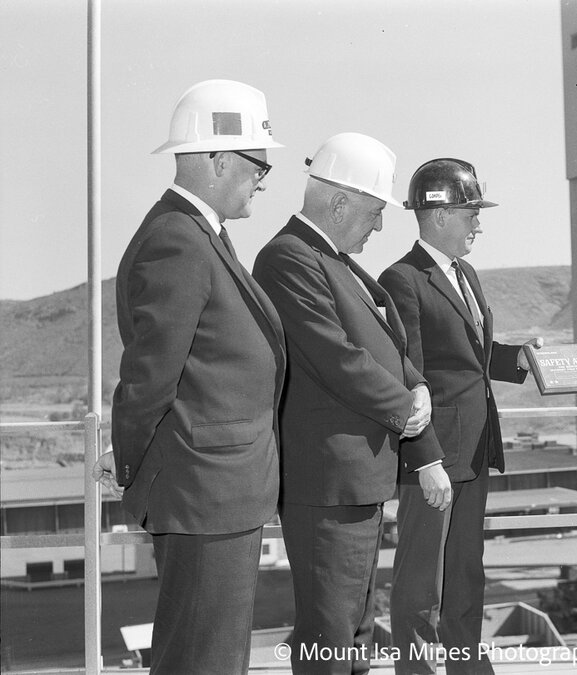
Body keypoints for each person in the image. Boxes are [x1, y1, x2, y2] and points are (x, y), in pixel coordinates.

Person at [93, 79, 286, 674]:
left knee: (212, 655)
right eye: (259, 164)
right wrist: (126, 461)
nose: (262, 178)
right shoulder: (177, 241)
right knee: (203, 660)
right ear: (219, 159)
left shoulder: (199, 235)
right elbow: (150, 377)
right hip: (206, 491)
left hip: (221, 489)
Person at [252, 133, 445, 675]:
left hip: (356, 477)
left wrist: (417, 386)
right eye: (374, 212)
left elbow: (388, 342)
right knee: (330, 631)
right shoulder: (288, 258)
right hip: (329, 481)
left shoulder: (330, 261)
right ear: (339, 203)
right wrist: (406, 405)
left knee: (353, 629)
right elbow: (336, 355)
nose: (380, 226)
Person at [378, 158, 542, 675]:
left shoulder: (463, 273)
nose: (478, 223)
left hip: (472, 450)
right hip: (434, 456)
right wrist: (424, 457)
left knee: (467, 575)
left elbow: (471, 354)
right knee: (421, 582)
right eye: (471, 212)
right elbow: (408, 375)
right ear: (440, 214)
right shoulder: (402, 279)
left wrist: (520, 359)